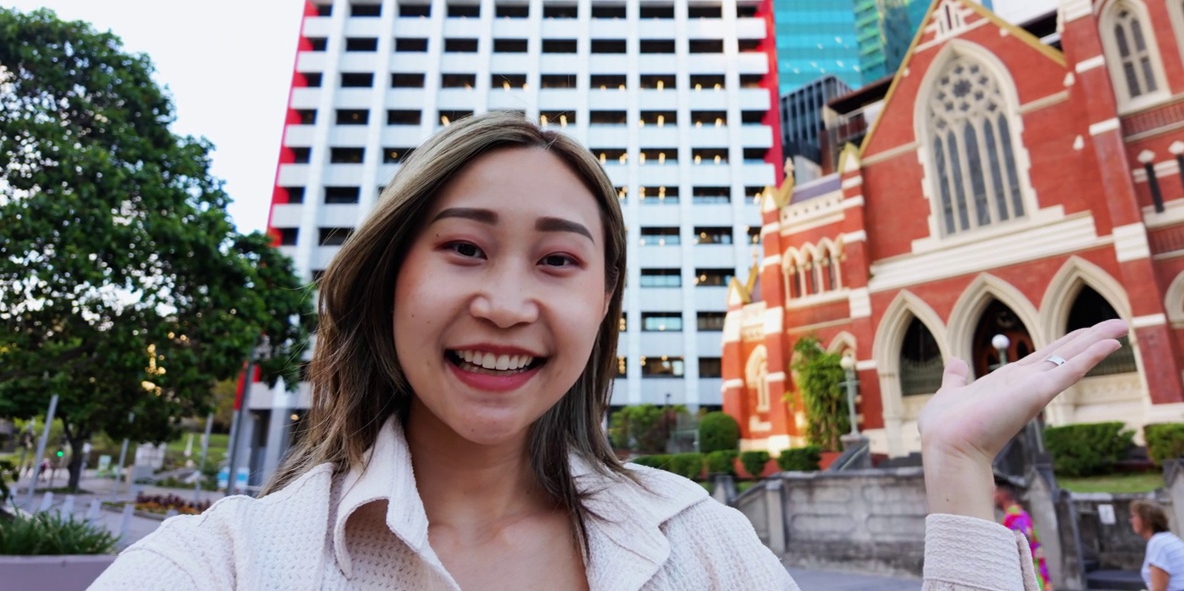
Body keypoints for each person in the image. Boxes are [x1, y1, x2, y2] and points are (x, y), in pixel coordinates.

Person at [90, 112, 1130, 590]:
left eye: (556, 262)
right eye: (461, 249)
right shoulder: (226, 563)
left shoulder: (694, 542)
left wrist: (951, 470)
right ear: (386, 279)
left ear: (601, 310)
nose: (505, 303)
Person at [1130, 500, 1184, 591]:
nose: (1131, 521)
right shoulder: (1172, 540)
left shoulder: (1158, 544)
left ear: (1146, 520)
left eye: (1133, 516)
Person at [994, 481, 1052, 590]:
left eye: (996, 492)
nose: (994, 496)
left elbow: (1017, 553)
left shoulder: (1014, 518)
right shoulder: (1021, 515)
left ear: (1003, 495)